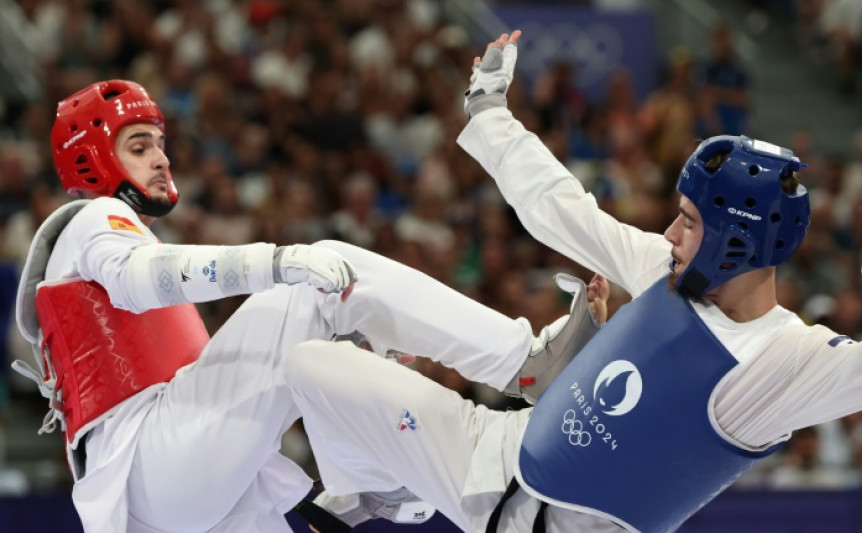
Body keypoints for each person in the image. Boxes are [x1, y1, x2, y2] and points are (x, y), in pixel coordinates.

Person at [287, 31, 862, 533]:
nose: (670, 234)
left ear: (736, 238)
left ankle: (384, 489)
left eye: (688, 222)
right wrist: (488, 111)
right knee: (313, 365)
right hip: (491, 451)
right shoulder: (665, 269)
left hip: (543, 522)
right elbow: (562, 209)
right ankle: (375, 493)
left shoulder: (776, 365)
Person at [13, 79, 604, 533]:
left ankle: (364, 487)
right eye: (139, 146)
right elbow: (143, 279)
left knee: (318, 359)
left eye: (161, 144)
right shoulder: (93, 220)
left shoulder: (107, 240)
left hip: (164, 500)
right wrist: (274, 260)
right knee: (319, 280)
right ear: (93, 160)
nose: (162, 158)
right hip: (151, 460)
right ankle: (523, 362)